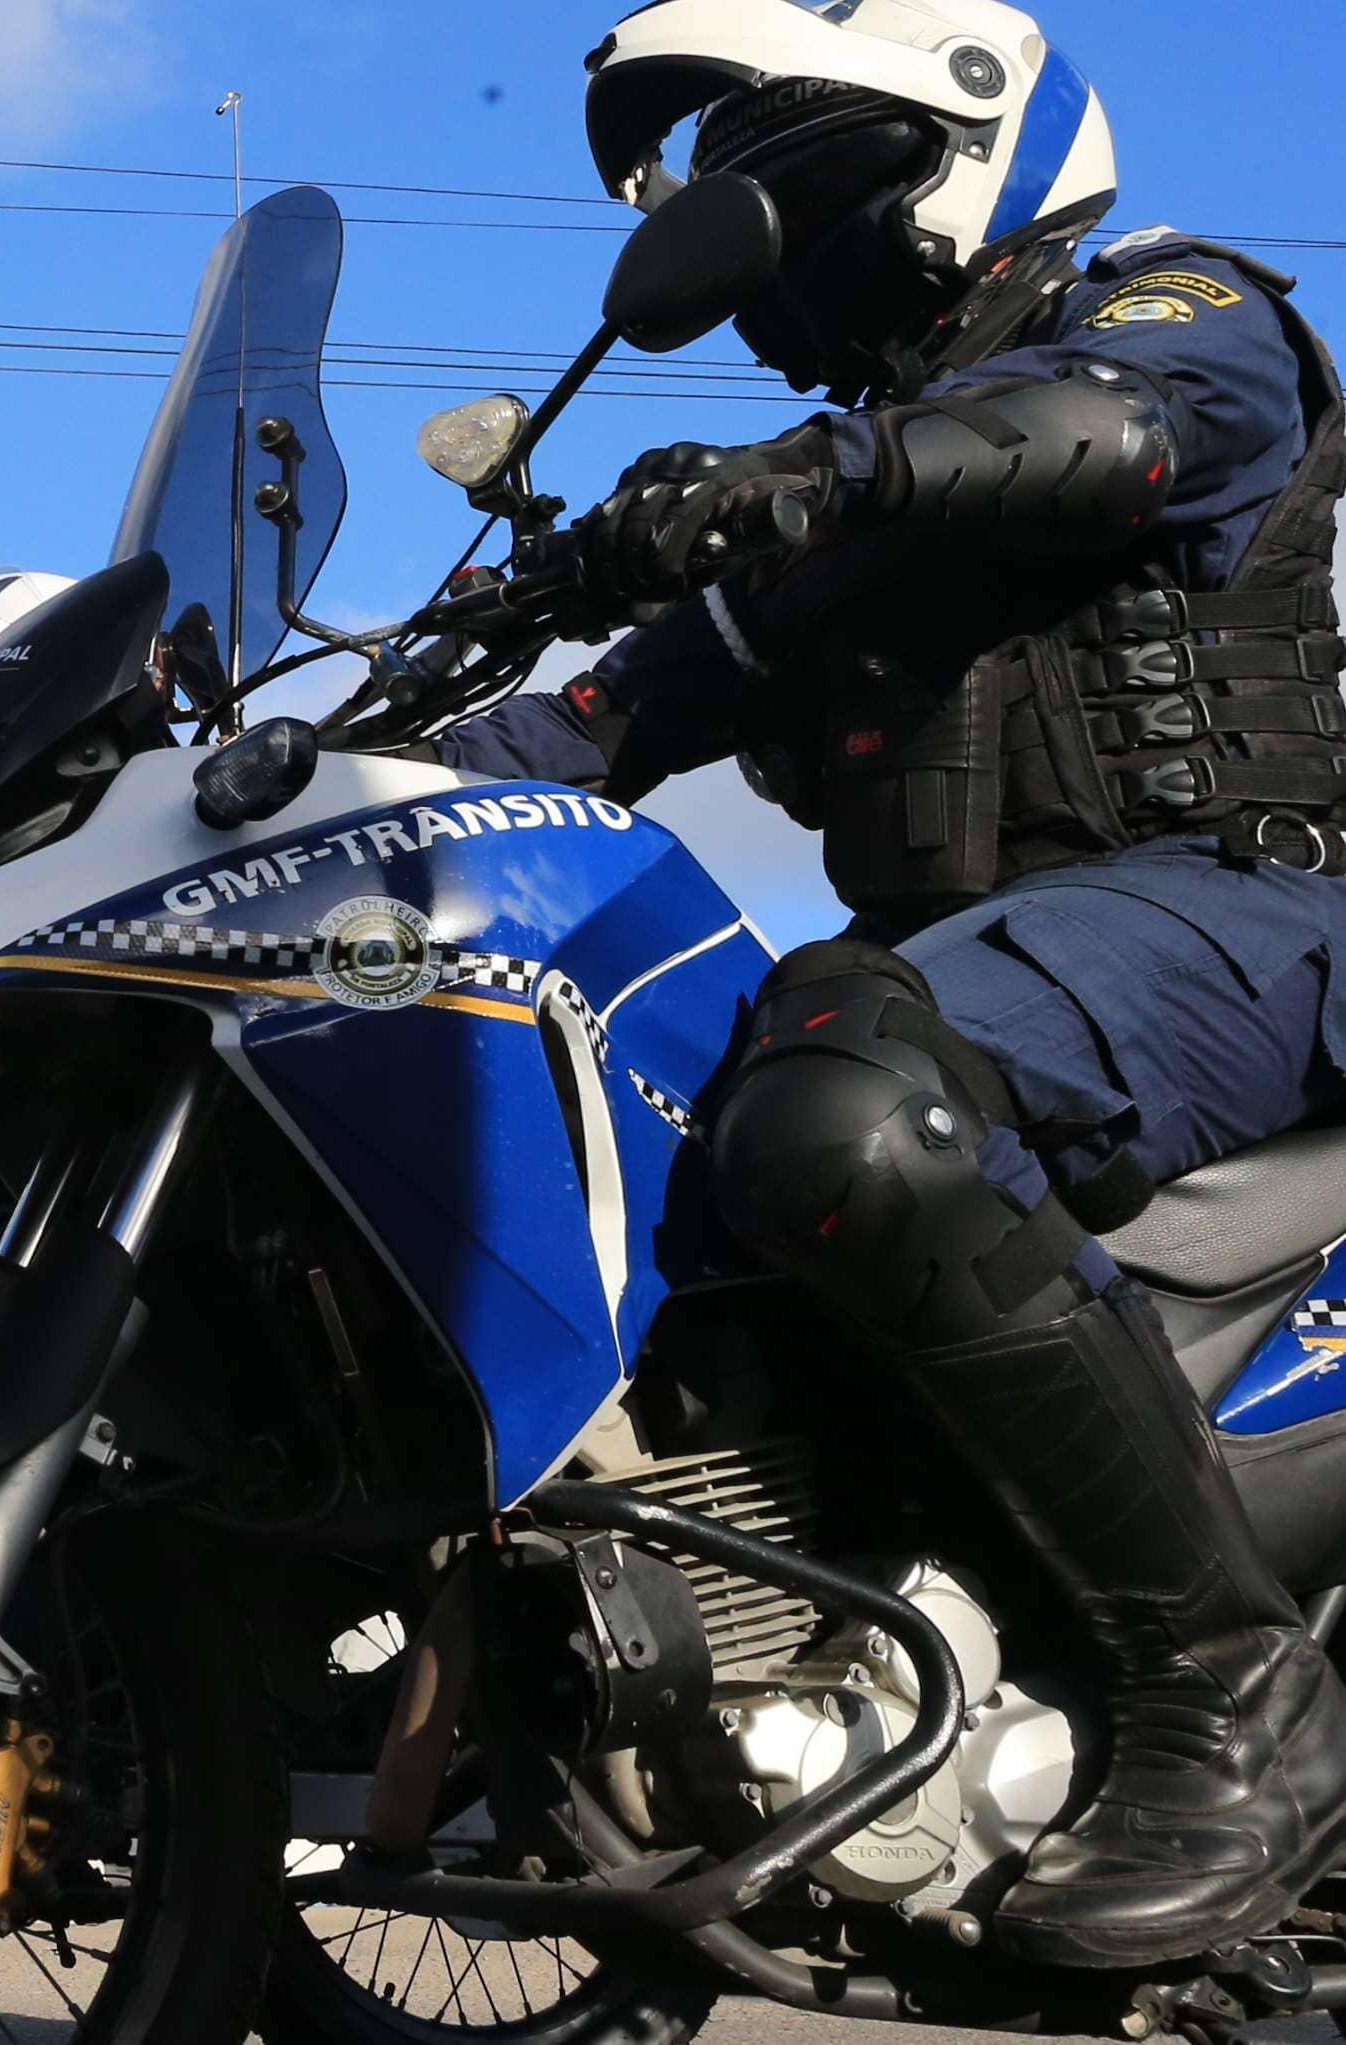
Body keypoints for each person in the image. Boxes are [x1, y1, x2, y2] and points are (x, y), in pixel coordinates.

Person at [429, 0, 1346, 1966]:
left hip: (1238, 918)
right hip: (980, 967)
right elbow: (583, 727)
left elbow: (1106, 428)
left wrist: (820, 471)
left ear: (949, 152)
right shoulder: (823, 515)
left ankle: (1236, 1699)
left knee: (840, 1095)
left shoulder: (1172, 309)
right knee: (631, 1124)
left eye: (798, 176)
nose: (761, 236)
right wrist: (260, 793)